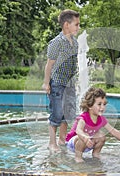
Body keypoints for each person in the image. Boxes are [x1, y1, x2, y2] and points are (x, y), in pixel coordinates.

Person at [42, 9, 80, 151]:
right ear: (66, 25)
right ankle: (52, 142)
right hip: (57, 83)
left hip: (70, 84)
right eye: (76, 24)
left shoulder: (75, 43)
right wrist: (46, 83)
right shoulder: (56, 42)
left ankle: (62, 140)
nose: (78, 27)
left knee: (67, 113)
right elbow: (49, 64)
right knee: (57, 113)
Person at [66, 87, 120, 162]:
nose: (102, 107)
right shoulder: (83, 118)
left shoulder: (101, 119)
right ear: (90, 106)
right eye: (99, 104)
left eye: (104, 104)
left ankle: (96, 154)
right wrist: (85, 137)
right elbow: (78, 130)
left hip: (89, 143)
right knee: (84, 134)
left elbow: (112, 130)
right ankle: (78, 157)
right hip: (74, 144)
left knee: (101, 135)